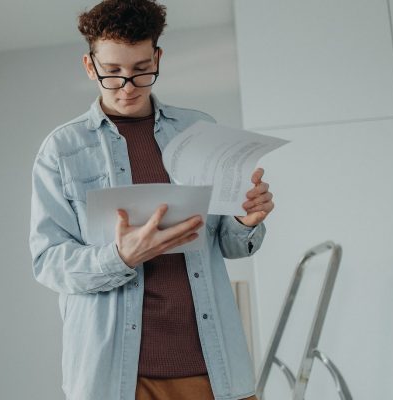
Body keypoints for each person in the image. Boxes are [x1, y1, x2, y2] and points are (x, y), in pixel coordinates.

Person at [28, 1, 275, 399]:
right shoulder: (62, 150)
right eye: (112, 73)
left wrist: (246, 219)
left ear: (157, 57)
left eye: (142, 70)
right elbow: (48, 263)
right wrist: (119, 256)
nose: (128, 86)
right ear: (90, 66)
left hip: (214, 367)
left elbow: (227, 243)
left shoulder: (199, 130)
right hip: (114, 377)